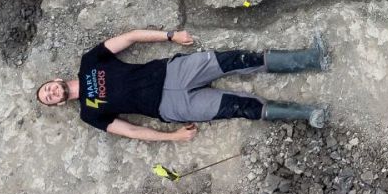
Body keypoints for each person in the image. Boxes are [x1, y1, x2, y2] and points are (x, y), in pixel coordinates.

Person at [35, 28, 328, 141]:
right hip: (172, 106)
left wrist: (170, 36)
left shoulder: (90, 62)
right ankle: (310, 114)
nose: (50, 93)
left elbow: (130, 37)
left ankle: (312, 58)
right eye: (49, 98)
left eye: (47, 88)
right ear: (59, 102)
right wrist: (172, 137)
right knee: (241, 106)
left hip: (174, 73)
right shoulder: (89, 114)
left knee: (238, 60)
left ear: (56, 80)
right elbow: (131, 130)